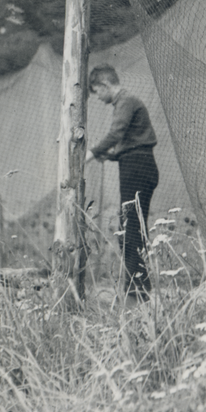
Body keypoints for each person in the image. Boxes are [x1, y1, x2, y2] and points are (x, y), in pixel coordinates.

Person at [86, 65, 159, 300]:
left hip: (138, 167)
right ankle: (138, 287)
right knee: (131, 228)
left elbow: (117, 134)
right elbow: (127, 143)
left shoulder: (126, 101)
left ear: (106, 85)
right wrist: (107, 155)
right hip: (135, 165)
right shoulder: (124, 102)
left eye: (97, 91)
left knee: (130, 229)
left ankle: (137, 291)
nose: (97, 97)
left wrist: (92, 153)